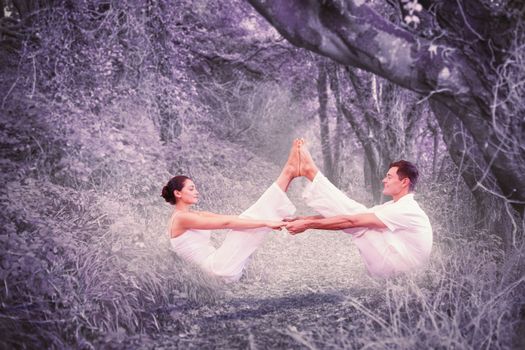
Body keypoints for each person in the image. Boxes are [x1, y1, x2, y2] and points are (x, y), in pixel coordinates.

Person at [285, 140, 433, 277]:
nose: (384, 180)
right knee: (360, 214)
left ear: (404, 182)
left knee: (360, 222)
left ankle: (310, 171)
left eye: (389, 177)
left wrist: (307, 224)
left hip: (399, 271)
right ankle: (310, 172)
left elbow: (352, 221)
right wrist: (305, 219)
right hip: (394, 266)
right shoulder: (395, 206)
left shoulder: (406, 209)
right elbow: (355, 217)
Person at [162, 140, 303, 282]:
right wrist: (266, 222)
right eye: (191, 189)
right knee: (250, 222)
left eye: (195, 188)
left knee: (247, 219)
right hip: (216, 269)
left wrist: (270, 222)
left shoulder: (197, 214)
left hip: (221, 266)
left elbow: (234, 219)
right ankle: (289, 171)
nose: (197, 192)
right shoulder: (180, 218)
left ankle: (290, 173)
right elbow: (226, 223)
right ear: (178, 193)